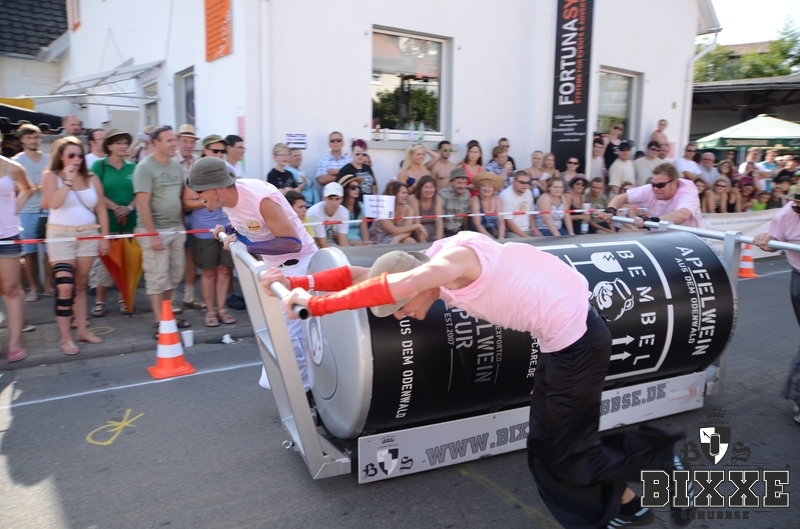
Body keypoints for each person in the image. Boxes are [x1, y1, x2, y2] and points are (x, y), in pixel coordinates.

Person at [267, 232, 684, 529]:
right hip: (562, 346)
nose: (402, 316)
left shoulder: (453, 264)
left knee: (566, 453)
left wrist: (316, 307)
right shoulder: (428, 260)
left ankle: (662, 464)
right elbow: (360, 274)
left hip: (579, 344)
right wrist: (301, 282)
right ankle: (627, 506)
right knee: (545, 448)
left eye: (400, 308)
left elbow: (402, 283)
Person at [188, 156, 317, 392]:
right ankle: (300, 390)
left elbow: (292, 243)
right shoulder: (227, 199)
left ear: (216, 187)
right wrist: (228, 229)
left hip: (301, 265)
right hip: (276, 270)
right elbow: (245, 224)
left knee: (287, 337)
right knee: (279, 334)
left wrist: (247, 247)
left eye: (199, 190)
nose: (196, 196)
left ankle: (304, 393)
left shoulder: (260, 199)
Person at [41, 136, 110, 355]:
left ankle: (81, 330)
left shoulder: (92, 178)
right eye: (71, 155)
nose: (76, 159)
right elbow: (52, 204)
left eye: (80, 155)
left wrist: (104, 237)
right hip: (60, 235)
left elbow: (101, 209)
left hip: (88, 234)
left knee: (80, 286)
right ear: (61, 157)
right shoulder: (51, 176)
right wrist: (68, 181)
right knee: (65, 286)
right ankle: (65, 338)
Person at [133, 126, 192, 337]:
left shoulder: (176, 166)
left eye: (174, 140)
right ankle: (160, 322)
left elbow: (179, 198)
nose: (174, 144)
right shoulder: (144, 168)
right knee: (157, 277)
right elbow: (143, 203)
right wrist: (152, 235)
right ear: (156, 143)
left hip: (175, 228)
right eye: (169, 141)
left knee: (175, 274)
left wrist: (181, 226)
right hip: (154, 230)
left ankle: (168, 316)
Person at [754, 193, 800, 424]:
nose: (797, 205)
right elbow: (773, 240)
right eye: (796, 201)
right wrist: (767, 240)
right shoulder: (788, 212)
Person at [185, 137, 236, 327]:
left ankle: (221, 309)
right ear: (205, 150)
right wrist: (209, 200)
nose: (219, 154)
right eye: (215, 151)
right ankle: (210, 311)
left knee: (225, 270)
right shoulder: (196, 171)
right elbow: (186, 201)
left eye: (222, 151)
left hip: (227, 227)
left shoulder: (228, 170)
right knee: (208, 272)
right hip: (205, 229)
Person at [89, 129, 137, 316]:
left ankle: (123, 298)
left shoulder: (132, 167)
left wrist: (128, 208)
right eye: (118, 143)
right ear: (109, 146)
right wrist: (116, 208)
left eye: (125, 142)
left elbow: (139, 194)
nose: (123, 146)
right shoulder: (99, 166)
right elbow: (96, 193)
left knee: (127, 263)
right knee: (106, 264)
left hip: (129, 222)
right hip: (108, 223)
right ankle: (100, 300)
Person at [0, 150, 35, 362]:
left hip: (7, 235)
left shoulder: (11, 167)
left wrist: (19, 201)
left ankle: (15, 343)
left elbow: (28, 188)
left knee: (11, 288)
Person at [13, 124, 53, 300]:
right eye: (29, 137)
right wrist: (31, 186)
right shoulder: (16, 161)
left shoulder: (49, 159)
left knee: (49, 251)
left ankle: (48, 286)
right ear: (22, 139)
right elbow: (12, 187)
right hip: (26, 211)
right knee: (29, 253)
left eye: (35, 137)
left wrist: (46, 186)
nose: (33, 141)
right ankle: (33, 288)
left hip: (47, 209)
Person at [603, 163, 705, 229]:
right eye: (653, 184)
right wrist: (611, 209)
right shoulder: (650, 189)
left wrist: (652, 220)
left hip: (691, 239)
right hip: (663, 238)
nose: (655, 189)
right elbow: (621, 197)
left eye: (660, 185)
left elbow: (683, 215)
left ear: (674, 183)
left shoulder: (687, 190)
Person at [174, 124, 203, 312]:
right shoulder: (171, 161)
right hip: (174, 215)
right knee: (174, 258)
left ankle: (189, 295)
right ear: (178, 141)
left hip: (193, 213)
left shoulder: (197, 162)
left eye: (191, 142)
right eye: (185, 141)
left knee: (190, 256)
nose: (188, 145)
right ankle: (170, 299)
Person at [307, 182, 350, 248]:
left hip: (330, 244)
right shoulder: (314, 214)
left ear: (342, 199)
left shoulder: (344, 212)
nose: (334, 203)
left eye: (337, 199)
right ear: (323, 198)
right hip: (314, 247)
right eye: (330, 199)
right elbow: (322, 244)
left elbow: (343, 241)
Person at [499, 171, 539, 238]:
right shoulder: (506, 196)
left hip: (528, 230)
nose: (525, 185)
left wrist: (533, 227)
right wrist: (525, 237)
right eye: (522, 182)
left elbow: (531, 213)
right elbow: (508, 221)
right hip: (511, 231)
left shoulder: (528, 192)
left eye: (527, 182)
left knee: (544, 240)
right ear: (514, 182)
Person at [470, 172, 505, 239]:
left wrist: (501, 238)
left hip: (494, 232)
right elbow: (477, 225)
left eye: (490, 187)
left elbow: (500, 221)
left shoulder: (497, 199)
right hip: (478, 234)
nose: (486, 189)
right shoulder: (475, 200)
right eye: (484, 186)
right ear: (479, 188)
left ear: (494, 189)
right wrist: (492, 240)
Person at [409, 175, 443, 242]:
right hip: (418, 234)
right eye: (426, 187)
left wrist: (438, 240)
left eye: (432, 187)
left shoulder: (437, 198)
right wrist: (423, 243)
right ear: (420, 188)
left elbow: (439, 221)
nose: (429, 190)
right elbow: (417, 222)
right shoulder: (413, 198)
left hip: (434, 233)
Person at [439, 167, 471, 237]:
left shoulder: (467, 193)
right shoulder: (443, 194)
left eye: (464, 183)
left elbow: (466, 216)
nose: (462, 186)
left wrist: (465, 233)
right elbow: (440, 218)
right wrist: (442, 237)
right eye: (459, 183)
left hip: (460, 231)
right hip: (446, 231)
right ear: (451, 183)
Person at [340, 174, 370, 245]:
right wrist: (351, 243)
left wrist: (366, 243)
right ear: (345, 189)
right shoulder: (339, 208)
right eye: (353, 187)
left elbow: (364, 230)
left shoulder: (361, 206)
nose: (357, 189)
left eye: (358, 187)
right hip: (343, 242)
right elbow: (336, 234)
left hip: (359, 242)